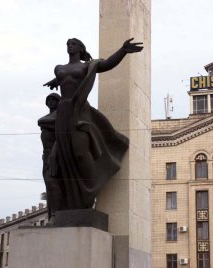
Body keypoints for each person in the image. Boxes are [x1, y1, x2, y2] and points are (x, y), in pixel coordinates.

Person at [43, 38, 143, 213]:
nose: (69, 46)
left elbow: (106, 65)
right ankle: (72, 198)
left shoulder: (86, 66)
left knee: (80, 153)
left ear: (81, 48)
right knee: (65, 154)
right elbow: (64, 78)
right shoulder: (59, 68)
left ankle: (89, 190)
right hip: (63, 112)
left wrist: (123, 50)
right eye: (67, 44)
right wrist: (55, 81)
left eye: (73, 44)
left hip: (79, 110)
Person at [38, 93, 62, 220]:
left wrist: (53, 155)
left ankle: (55, 215)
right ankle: (52, 214)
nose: (51, 101)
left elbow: (41, 122)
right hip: (45, 155)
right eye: (49, 99)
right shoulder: (49, 117)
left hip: (56, 154)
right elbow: (42, 122)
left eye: (55, 99)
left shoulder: (60, 116)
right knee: (49, 185)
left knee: (53, 182)